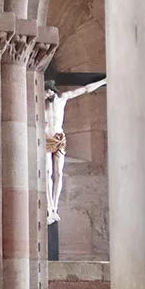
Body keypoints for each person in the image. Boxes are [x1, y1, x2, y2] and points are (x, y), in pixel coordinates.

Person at [45, 76, 107, 226]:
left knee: (59, 173)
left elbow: (85, 89)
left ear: (52, 91)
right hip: (47, 139)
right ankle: (49, 207)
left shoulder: (62, 99)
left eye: (47, 92)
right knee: (48, 173)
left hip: (59, 139)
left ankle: (55, 206)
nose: (45, 95)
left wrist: (104, 82)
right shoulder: (42, 104)